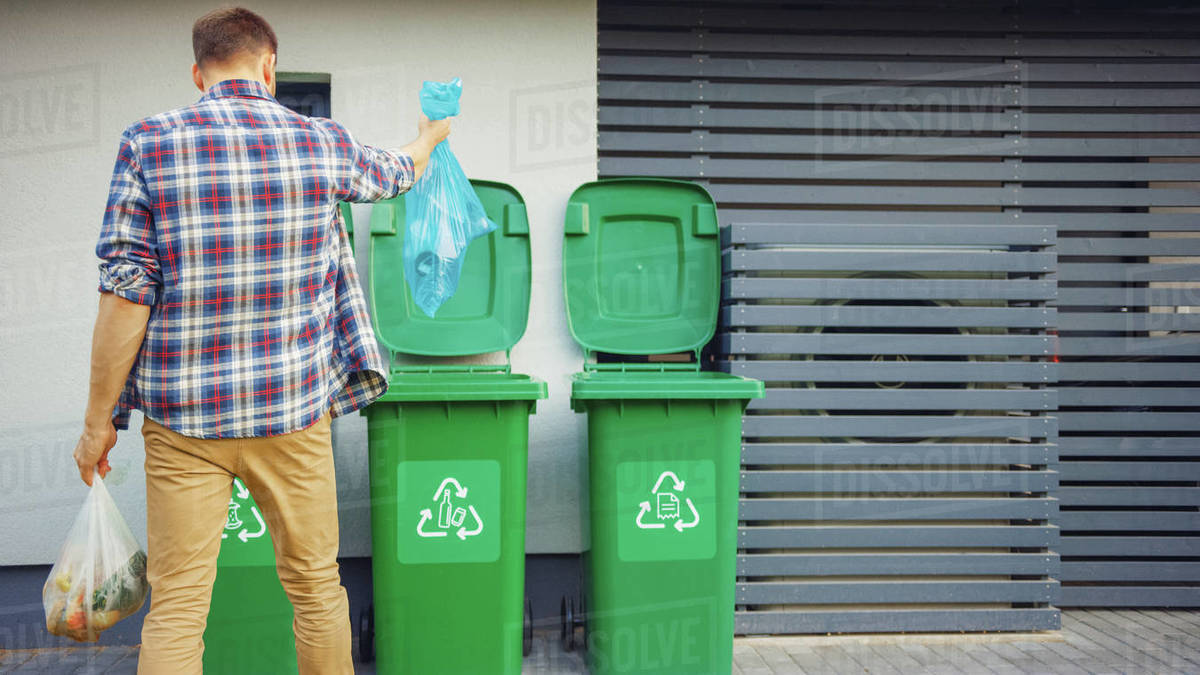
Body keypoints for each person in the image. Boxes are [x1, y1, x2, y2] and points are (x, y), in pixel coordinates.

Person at [71, 7, 449, 673]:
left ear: (198, 73)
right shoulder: (318, 141)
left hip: (183, 420)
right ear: (269, 66)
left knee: (180, 605)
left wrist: (97, 422)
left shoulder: (146, 143)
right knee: (314, 589)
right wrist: (429, 137)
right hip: (292, 415)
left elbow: (125, 294)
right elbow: (395, 172)